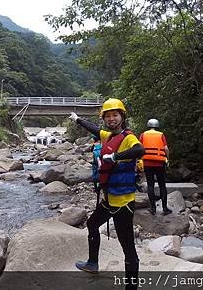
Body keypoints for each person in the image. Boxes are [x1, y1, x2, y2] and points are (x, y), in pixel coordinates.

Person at [69, 98, 144, 289]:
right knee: (92, 224)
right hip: (108, 199)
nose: (111, 119)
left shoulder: (128, 138)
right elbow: (94, 129)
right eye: (108, 116)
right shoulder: (107, 136)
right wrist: (78, 119)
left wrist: (115, 156)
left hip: (123, 202)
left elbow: (139, 149)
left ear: (122, 117)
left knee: (128, 248)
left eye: (115, 115)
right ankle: (92, 263)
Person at [139, 118, 172, 216]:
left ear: (148, 125)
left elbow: (139, 148)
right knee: (162, 185)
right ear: (157, 126)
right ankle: (165, 209)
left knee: (150, 185)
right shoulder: (161, 134)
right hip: (159, 163)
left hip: (147, 163)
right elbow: (166, 149)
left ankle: (153, 209)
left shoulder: (143, 135)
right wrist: (168, 159)